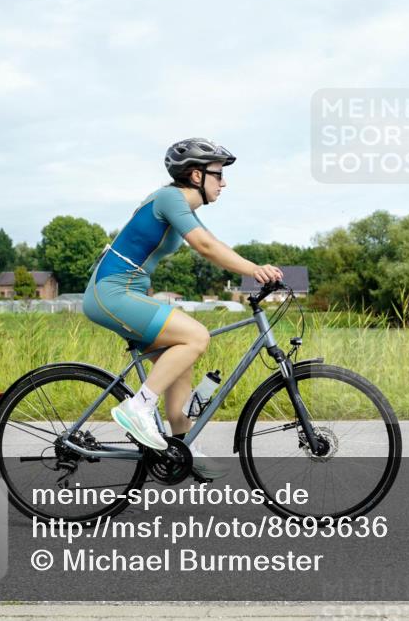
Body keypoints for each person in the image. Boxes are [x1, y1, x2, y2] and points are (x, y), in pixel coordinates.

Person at [82, 138, 283, 479]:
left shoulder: (181, 208)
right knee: (196, 336)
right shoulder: (169, 198)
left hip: (130, 292)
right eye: (218, 175)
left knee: (181, 361)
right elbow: (205, 247)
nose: (224, 182)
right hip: (110, 292)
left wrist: (253, 266)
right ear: (195, 175)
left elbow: (214, 243)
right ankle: (138, 407)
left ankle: (182, 445)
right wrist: (253, 270)